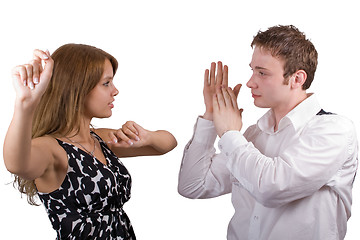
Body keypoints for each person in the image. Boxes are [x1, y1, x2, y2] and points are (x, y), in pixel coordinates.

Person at [178, 25, 358, 240]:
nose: (250, 82)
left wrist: (229, 134)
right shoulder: (254, 135)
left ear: (297, 79)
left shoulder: (333, 130)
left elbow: (272, 188)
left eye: (262, 73)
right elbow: (193, 186)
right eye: (252, 70)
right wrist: (211, 115)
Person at [3, 43, 177, 240]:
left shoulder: (99, 139)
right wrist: (25, 104)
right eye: (106, 83)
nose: (115, 90)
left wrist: (147, 137)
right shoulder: (51, 148)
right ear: (77, 87)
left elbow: (167, 144)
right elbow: (16, 163)